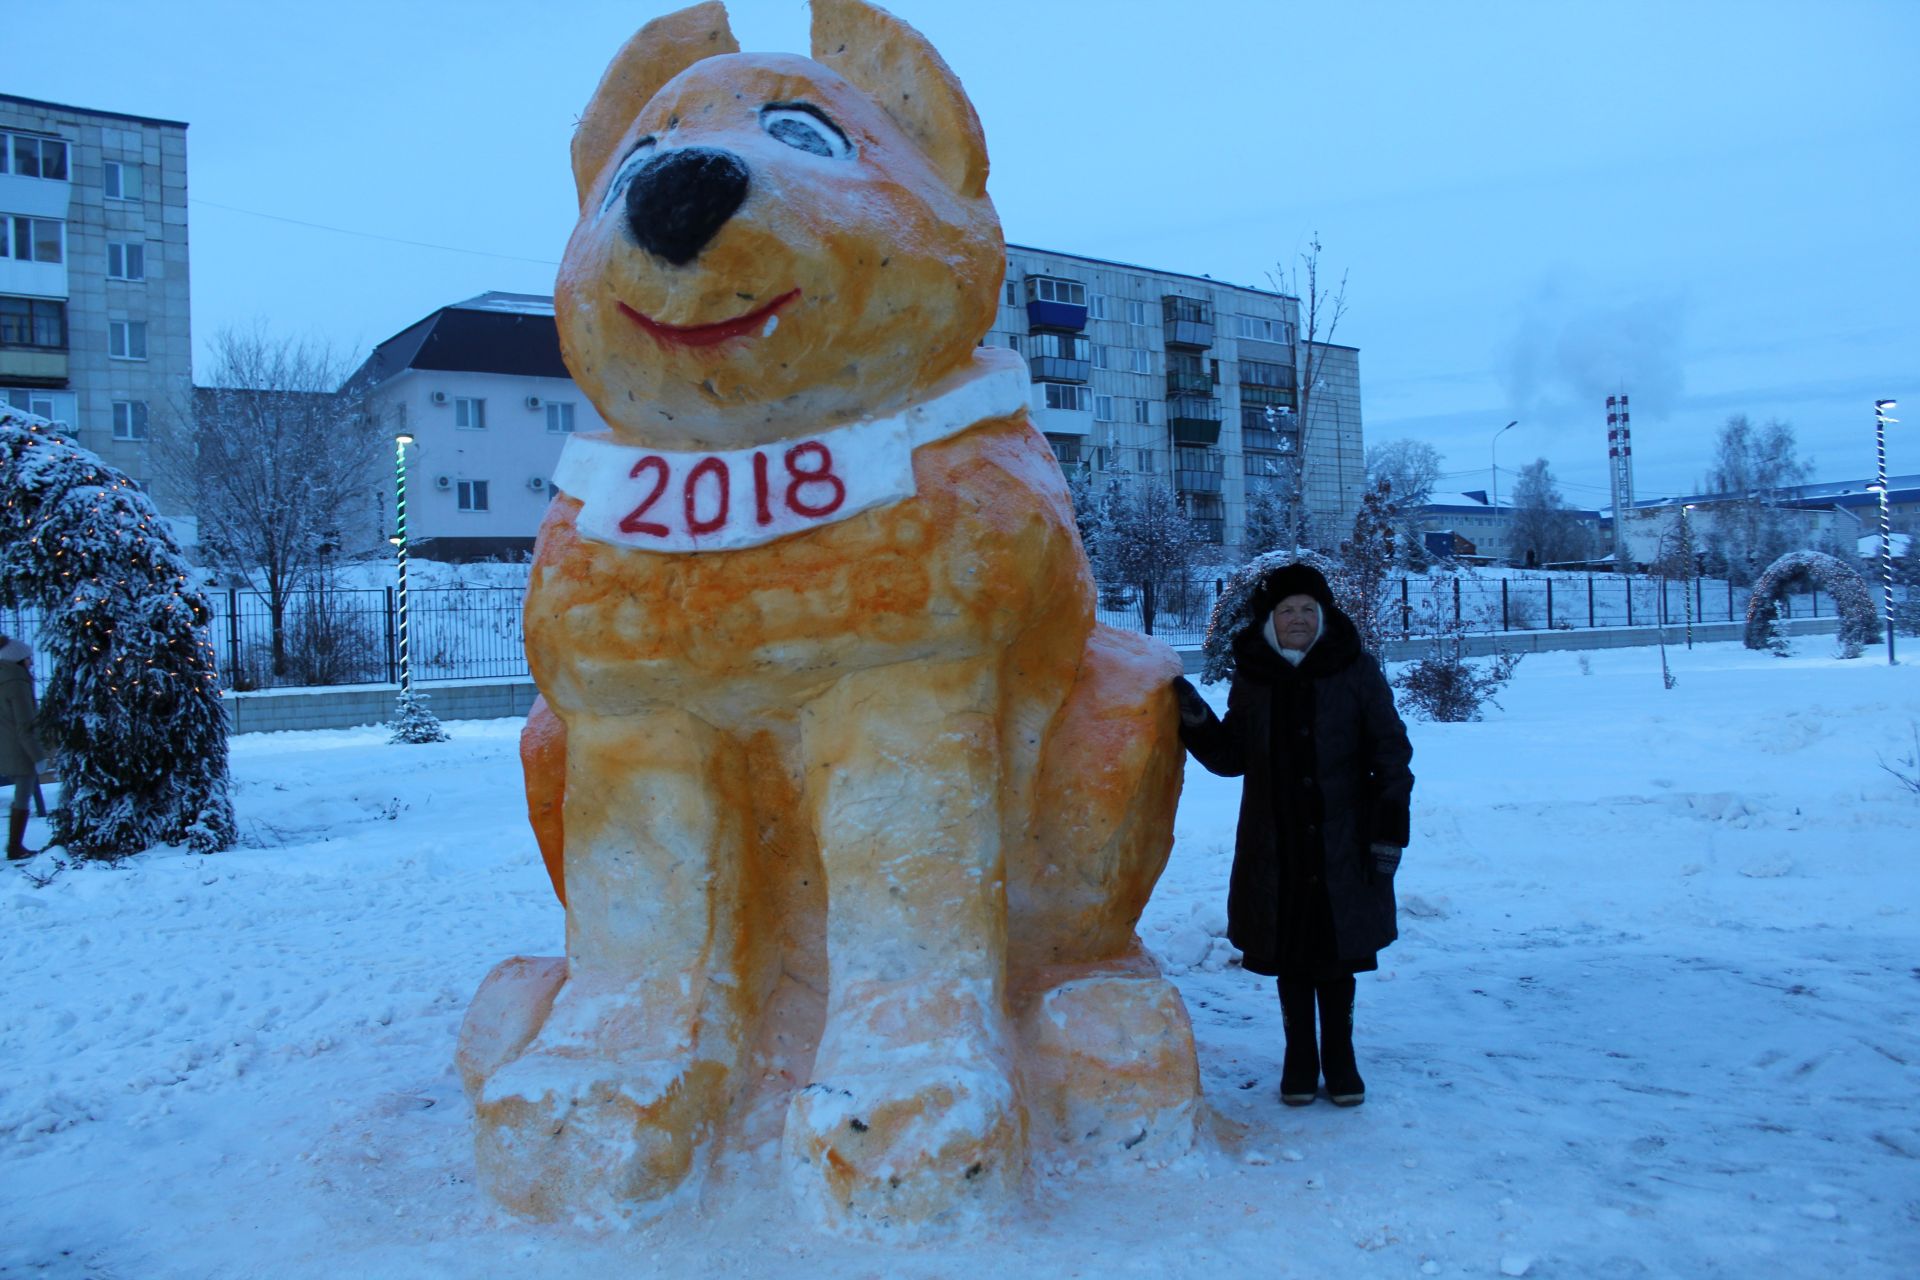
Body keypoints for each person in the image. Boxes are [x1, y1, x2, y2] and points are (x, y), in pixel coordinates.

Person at [1173, 563, 1413, 1106]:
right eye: (1288, 611)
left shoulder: (1355, 669)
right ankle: (1300, 1056)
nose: (1299, 619)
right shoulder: (1254, 676)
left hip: (1343, 839)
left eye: (1309, 609)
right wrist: (1192, 718)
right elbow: (1234, 756)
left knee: (1336, 952)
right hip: (1274, 841)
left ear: (1324, 616)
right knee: (1291, 951)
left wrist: (1388, 829)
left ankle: (1341, 1058)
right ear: (1269, 621)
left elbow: (1391, 752)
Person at [1, 636, 44, 861]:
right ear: (18, 659)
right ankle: (15, 846)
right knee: (22, 797)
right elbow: (25, 724)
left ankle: (15, 846)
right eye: (28, 658)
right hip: (19, 748)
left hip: (4, 744)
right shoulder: (17, 683)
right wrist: (37, 756)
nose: (31, 662)